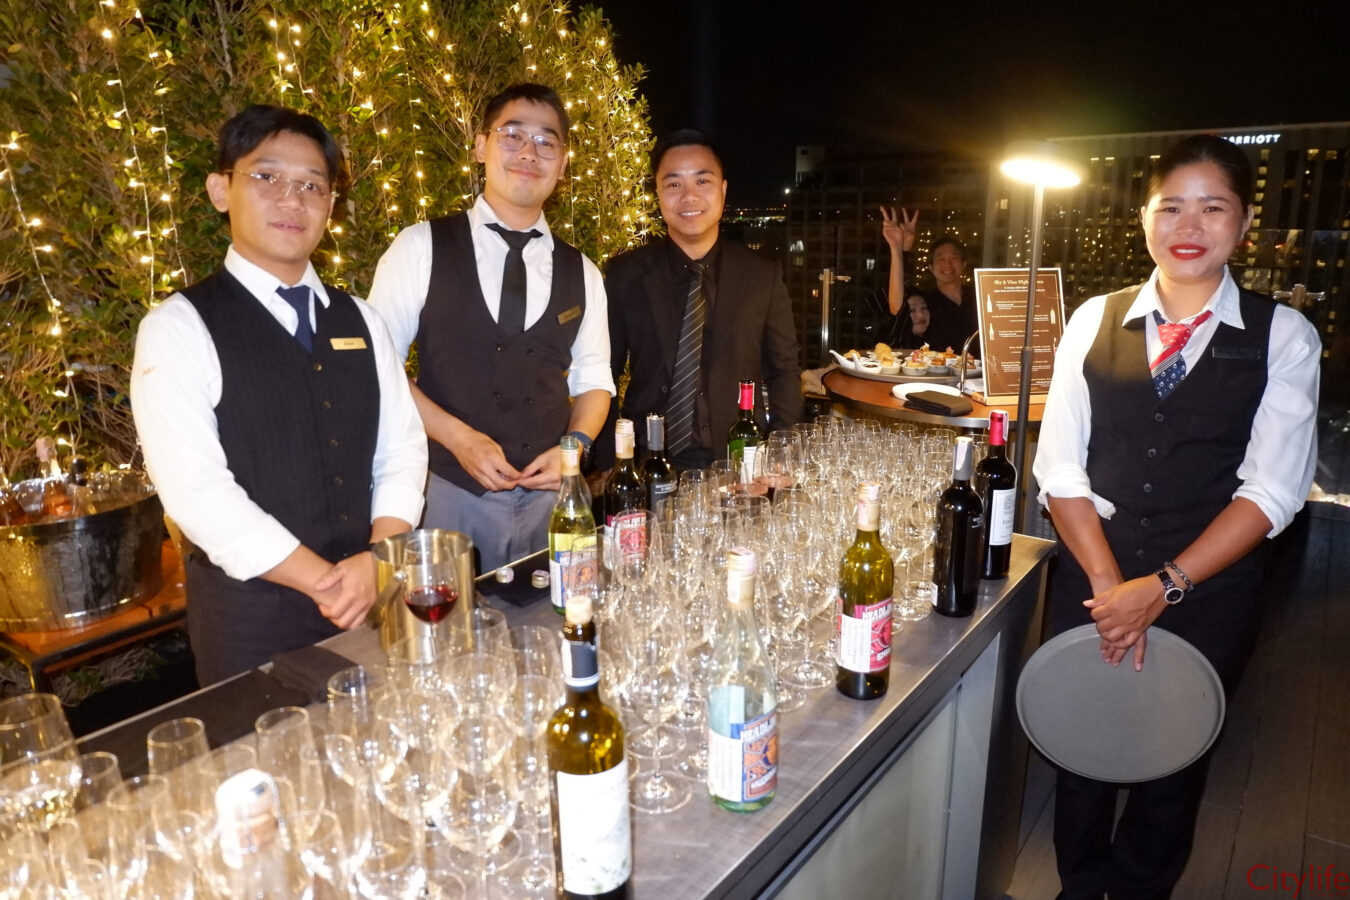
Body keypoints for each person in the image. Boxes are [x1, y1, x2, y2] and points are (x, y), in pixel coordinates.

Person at [1032, 134, 1320, 899]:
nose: (1189, 226)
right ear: (1144, 216)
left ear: (1245, 222)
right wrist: (1109, 586)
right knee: (1080, 750)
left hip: (1208, 594)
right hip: (1093, 581)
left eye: (1213, 208)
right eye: (1171, 207)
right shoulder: (1093, 319)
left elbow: (1271, 492)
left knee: (1172, 766)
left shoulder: (1284, 336)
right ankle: (1076, 886)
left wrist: (1161, 587)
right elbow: (1060, 467)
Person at [131, 105, 428, 686]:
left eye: (312, 185)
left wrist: (380, 558)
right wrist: (328, 582)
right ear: (221, 190)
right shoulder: (178, 327)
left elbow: (403, 447)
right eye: (267, 177)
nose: (292, 200)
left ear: (331, 206)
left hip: (373, 597)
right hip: (252, 620)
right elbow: (196, 492)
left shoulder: (361, 319)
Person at [368, 83, 614, 573]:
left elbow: (594, 379)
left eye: (546, 141)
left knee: (558, 613)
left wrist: (574, 450)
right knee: (450, 620)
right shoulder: (420, 247)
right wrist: (458, 439)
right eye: (512, 135)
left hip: (552, 502)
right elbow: (378, 367)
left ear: (563, 164)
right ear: (481, 146)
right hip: (447, 494)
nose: (529, 152)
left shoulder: (583, 271)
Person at [601, 129, 802, 470]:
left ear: (723, 190)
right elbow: (605, 371)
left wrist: (781, 453)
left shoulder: (761, 274)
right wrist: (611, 461)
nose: (689, 196)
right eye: (674, 184)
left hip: (740, 460)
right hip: (647, 460)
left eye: (702, 181)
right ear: (657, 193)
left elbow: (784, 370)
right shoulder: (626, 274)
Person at [879, 205, 980, 353]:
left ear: (963, 264)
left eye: (953, 258)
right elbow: (896, 306)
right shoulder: (926, 303)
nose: (947, 264)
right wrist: (900, 248)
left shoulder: (979, 296)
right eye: (940, 259)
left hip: (981, 366)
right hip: (939, 366)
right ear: (931, 268)